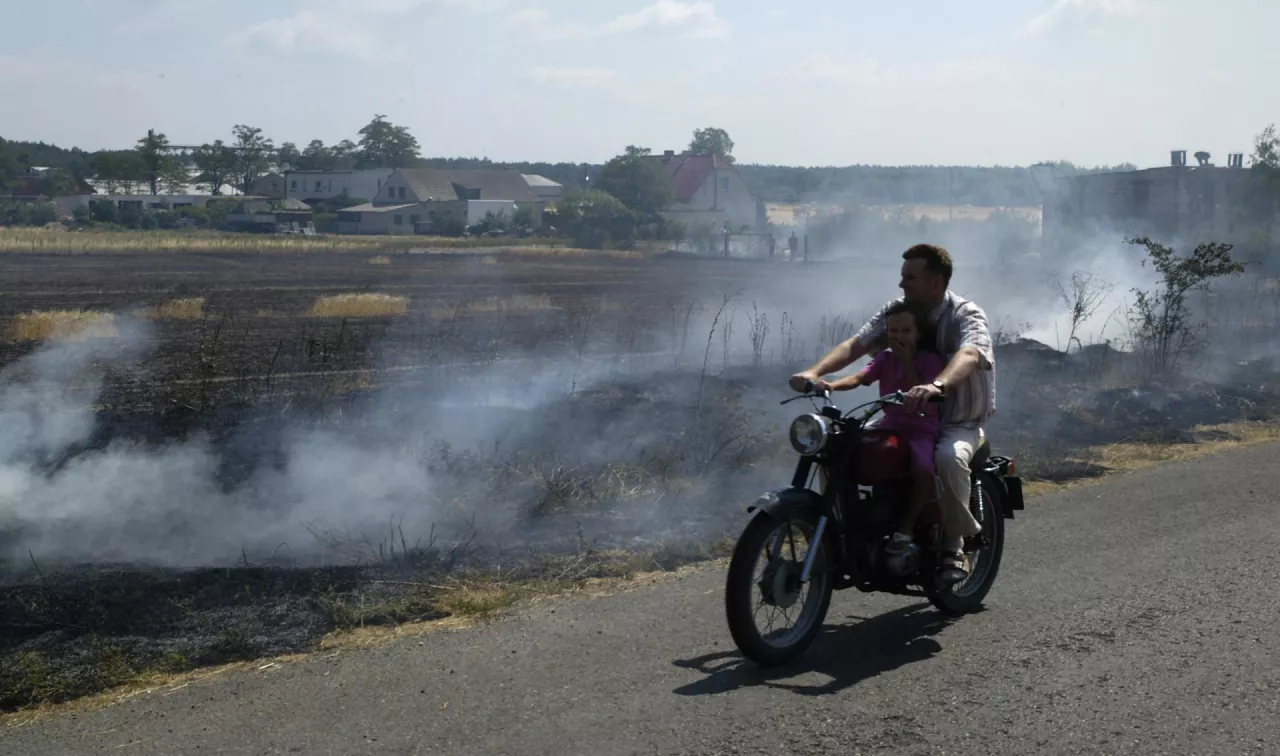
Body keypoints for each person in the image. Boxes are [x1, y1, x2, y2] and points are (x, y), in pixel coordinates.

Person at [789, 243, 995, 584]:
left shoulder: (966, 315)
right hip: (901, 416)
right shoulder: (898, 313)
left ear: (936, 281)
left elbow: (970, 353)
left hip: (958, 420)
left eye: (910, 277)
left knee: (946, 458)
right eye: (902, 277)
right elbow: (857, 345)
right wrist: (815, 374)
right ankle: (843, 532)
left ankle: (954, 546)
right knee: (839, 446)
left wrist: (936, 386)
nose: (902, 284)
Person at [824, 300, 943, 558]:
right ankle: (845, 520)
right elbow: (860, 377)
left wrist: (906, 362)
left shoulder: (929, 360)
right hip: (889, 423)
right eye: (893, 331)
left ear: (918, 334)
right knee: (839, 448)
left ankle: (906, 529)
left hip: (921, 427)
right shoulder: (885, 358)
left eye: (905, 331)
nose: (898, 336)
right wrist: (830, 385)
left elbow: (921, 392)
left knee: (923, 469)